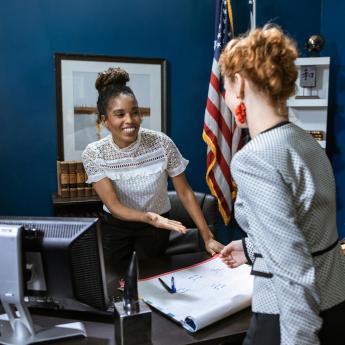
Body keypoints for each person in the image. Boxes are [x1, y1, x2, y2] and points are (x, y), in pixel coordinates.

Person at [218, 25, 345, 345]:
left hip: (290, 318)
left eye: (227, 87)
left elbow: (291, 267)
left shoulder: (255, 158)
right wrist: (248, 248)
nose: (225, 97)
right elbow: (304, 227)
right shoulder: (307, 143)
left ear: (242, 84)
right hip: (334, 303)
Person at [82, 67, 223, 276]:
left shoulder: (162, 143)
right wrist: (149, 217)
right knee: (118, 283)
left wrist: (206, 236)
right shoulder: (94, 153)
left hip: (156, 230)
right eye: (120, 114)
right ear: (105, 121)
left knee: (150, 279)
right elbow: (113, 205)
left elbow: (184, 193)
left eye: (135, 112)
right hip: (117, 228)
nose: (130, 120)